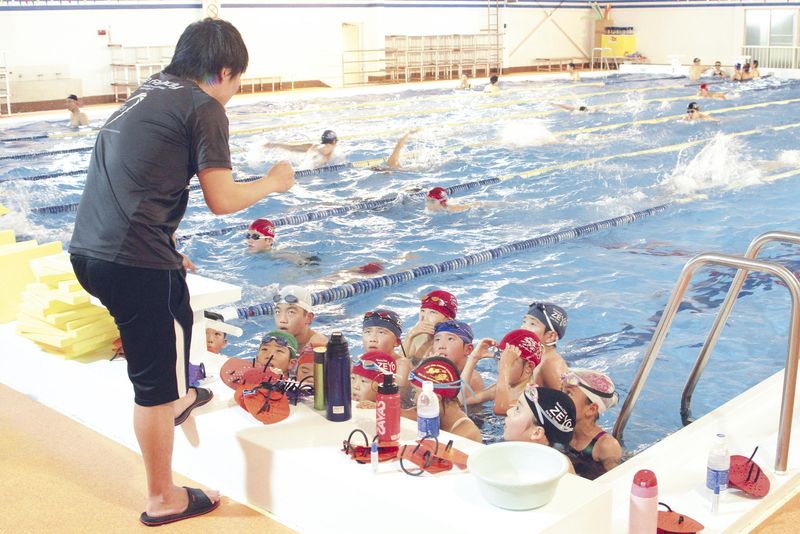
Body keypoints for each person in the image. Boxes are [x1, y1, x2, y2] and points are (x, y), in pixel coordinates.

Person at [69, 18, 295, 526]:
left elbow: (132, 173)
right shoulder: (204, 107)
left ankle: (183, 397)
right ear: (224, 71)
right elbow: (222, 199)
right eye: (237, 81)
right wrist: (273, 182)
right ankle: (162, 496)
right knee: (152, 384)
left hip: (92, 249)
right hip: (132, 261)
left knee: (177, 308)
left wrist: (164, 238)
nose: (234, 91)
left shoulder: (147, 92)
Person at [460, 329, 543, 413]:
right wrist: (473, 358)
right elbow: (462, 400)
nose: (500, 366)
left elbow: (500, 410)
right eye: (500, 359)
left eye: (508, 362)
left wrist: (504, 366)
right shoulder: (500, 388)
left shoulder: (533, 396)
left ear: (529, 367)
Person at [561, 368, 622, 480]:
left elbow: (616, 482)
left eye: (569, 393)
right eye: (562, 391)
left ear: (591, 409)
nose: (560, 397)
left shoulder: (606, 445)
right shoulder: (560, 430)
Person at [403, 356, 482, 442]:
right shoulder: (430, 412)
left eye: (415, 391)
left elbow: (434, 449)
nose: (414, 398)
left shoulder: (466, 431)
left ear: (435, 398)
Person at [504, 385, 577, 471]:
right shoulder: (561, 462)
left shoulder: (557, 469)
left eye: (517, 409)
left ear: (537, 433)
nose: (508, 411)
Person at [429, 319, 484, 401]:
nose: (441, 346)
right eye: (437, 340)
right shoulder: (430, 370)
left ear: (468, 349)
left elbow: (458, 403)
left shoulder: (473, 378)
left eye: (450, 339)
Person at [402, 289, 458, 364]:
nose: (424, 317)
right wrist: (409, 337)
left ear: (448, 319)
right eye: (422, 311)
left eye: (432, 312)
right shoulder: (418, 335)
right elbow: (399, 364)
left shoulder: (453, 344)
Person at [523, 302, 570, 390]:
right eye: (524, 321)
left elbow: (565, 398)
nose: (523, 327)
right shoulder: (536, 357)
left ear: (551, 336)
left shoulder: (551, 365)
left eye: (532, 324)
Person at [272, 285, 327, 352]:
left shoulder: (319, 347)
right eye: (278, 312)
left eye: (291, 312)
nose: (282, 320)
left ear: (308, 318)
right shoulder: (271, 342)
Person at [246, 218, 320, 266]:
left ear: (269, 241)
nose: (249, 240)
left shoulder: (280, 256)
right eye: (248, 236)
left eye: (255, 237)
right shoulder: (247, 253)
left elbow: (305, 264)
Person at [264, 129, 338, 168]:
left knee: (293, 148)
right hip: (310, 171)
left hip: (305, 164)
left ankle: (273, 144)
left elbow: (291, 148)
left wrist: (275, 145)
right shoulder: (330, 147)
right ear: (334, 141)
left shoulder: (313, 145)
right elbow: (323, 148)